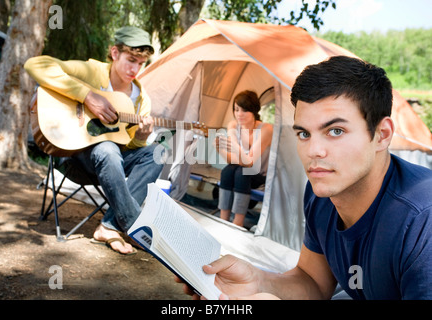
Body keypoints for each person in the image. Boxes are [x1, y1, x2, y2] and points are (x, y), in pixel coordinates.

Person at [178, 56, 432, 299]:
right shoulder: (322, 193)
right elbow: (312, 281)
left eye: (335, 130)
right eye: (303, 134)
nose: (313, 152)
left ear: (382, 134)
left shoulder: (422, 221)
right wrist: (257, 281)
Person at [25, 26, 164, 255]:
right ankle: (134, 225)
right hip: (75, 157)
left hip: (111, 165)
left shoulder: (141, 100)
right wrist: (87, 96)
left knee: (157, 153)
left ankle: (109, 226)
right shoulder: (91, 71)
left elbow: (128, 147)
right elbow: (34, 64)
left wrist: (140, 137)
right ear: (115, 53)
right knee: (107, 149)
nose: (135, 69)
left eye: (141, 63)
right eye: (131, 60)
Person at [215, 90, 273, 227]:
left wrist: (233, 144)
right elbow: (232, 160)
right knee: (228, 171)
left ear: (253, 111)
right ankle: (223, 219)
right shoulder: (233, 125)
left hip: (260, 174)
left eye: (244, 110)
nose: (239, 114)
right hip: (241, 169)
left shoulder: (266, 129)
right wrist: (219, 149)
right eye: (236, 110)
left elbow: (250, 162)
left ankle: (237, 222)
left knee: (242, 173)